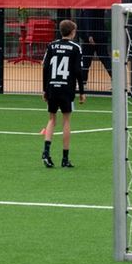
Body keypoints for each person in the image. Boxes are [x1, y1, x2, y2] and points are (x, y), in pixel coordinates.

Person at [40, 19, 86, 169]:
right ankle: (65, 159)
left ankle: (46, 153)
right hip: (67, 88)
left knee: (51, 119)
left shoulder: (52, 46)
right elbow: (78, 71)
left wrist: (45, 89)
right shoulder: (76, 48)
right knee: (66, 120)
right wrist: (82, 92)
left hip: (52, 86)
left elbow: (45, 68)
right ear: (73, 32)